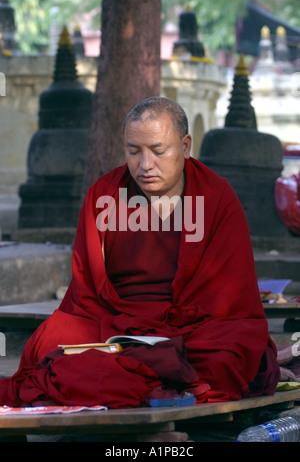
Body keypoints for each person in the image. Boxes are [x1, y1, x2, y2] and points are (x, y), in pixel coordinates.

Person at [0, 97, 280, 409]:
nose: (145, 165)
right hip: (116, 320)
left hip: (191, 323)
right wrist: (122, 331)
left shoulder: (217, 197)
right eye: (134, 151)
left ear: (186, 146)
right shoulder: (104, 194)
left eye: (158, 151)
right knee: (47, 343)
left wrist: (162, 334)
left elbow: (231, 298)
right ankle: (156, 385)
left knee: (229, 350)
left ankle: (131, 381)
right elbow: (86, 292)